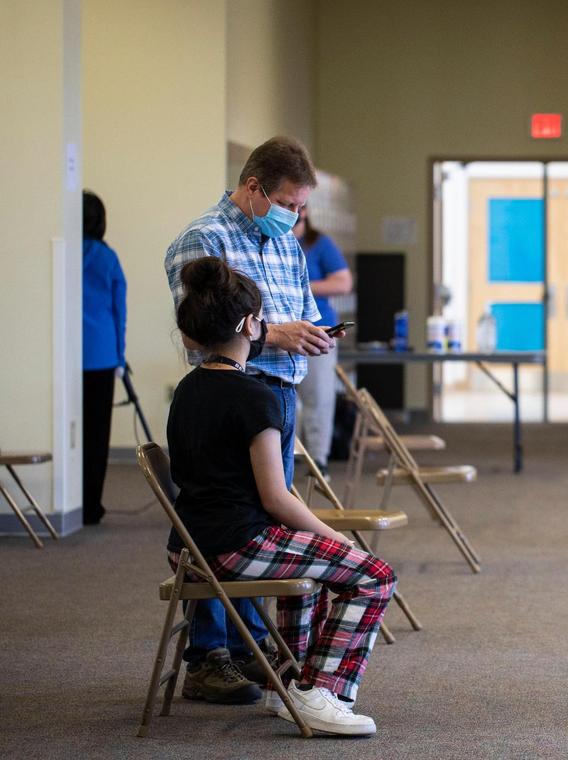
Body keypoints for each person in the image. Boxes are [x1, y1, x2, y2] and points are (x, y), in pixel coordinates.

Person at [168, 256, 393, 736]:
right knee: (374, 574)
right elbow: (276, 497)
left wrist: (322, 542)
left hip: (190, 547)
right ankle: (320, 691)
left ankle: (286, 685)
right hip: (233, 547)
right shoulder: (256, 396)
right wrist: (339, 538)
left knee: (309, 564)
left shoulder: (187, 390)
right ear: (252, 324)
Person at [164, 136, 343, 704]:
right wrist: (274, 333)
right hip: (224, 394)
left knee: (262, 523)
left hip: (276, 394)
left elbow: (300, 314)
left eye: (302, 207)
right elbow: (198, 327)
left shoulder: (287, 242)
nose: (297, 216)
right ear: (253, 188)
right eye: (289, 203)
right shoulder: (202, 240)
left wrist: (307, 333)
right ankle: (210, 652)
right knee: (225, 522)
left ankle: (250, 644)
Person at [294, 207, 353, 473]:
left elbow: (343, 283)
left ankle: (318, 460)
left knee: (318, 397)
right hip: (280, 331)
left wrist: (302, 286)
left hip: (318, 328)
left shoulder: (319, 243)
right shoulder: (272, 239)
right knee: (284, 402)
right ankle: (286, 458)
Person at [81, 191, 126, 526]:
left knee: (70, 431)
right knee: (96, 434)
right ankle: (91, 505)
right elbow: (118, 311)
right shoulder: (107, 257)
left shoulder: (61, 252)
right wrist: (120, 356)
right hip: (101, 354)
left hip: (66, 355)